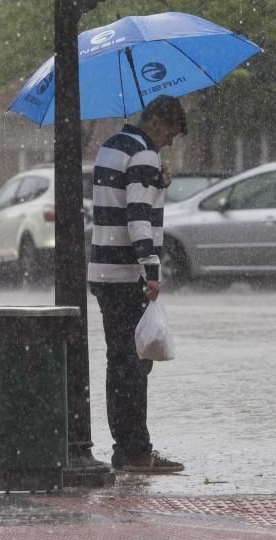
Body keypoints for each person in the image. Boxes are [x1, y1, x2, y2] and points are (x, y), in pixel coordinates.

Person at [88, 95, 187, 474]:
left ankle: (124, 448)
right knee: (136, 364)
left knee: (120, 362)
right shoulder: (143, 154)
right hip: (128, 274)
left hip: (102, 271)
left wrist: (155, 183)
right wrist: (151, 269)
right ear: (157, 122)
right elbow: (138, 216)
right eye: (171, 134)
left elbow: (118, 200)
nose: (169, 143)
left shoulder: (109, 148)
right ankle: (137, 452)